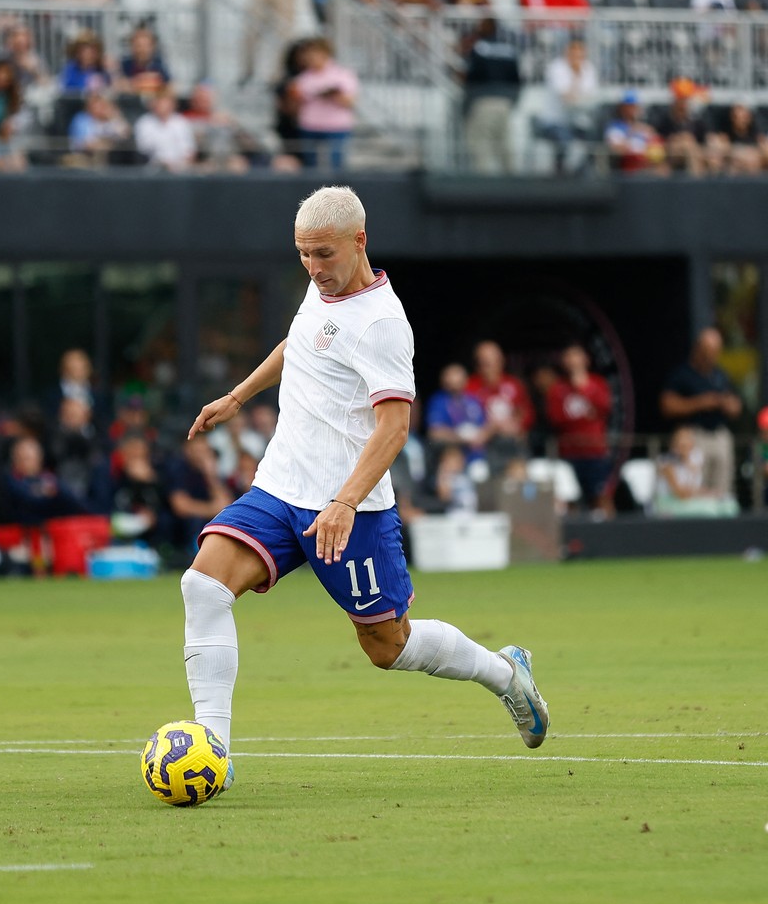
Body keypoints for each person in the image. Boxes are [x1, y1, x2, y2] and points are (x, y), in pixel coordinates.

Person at [179, 186, 549, 798]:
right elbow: (299, 344)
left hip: (352, 507)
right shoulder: (322, 285)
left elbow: (395, 426)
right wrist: (238, 396)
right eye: (302, 256)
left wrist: (344, 501)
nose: (313, 269)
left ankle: (506, 674)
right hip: (281, 486)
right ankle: (212, 747)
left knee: (387, 644)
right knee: (203, 584)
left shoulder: (382, 323)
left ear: (360, 241)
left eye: (323, 254)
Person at [659, 327, 742, 501]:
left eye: (715, 352)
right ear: (698, 349)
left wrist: (727, 404)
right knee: (696, 488)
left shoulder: (720, 375)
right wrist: (700, 403)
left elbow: (736, 406)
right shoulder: (682, 374)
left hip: (719, 435)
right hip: (694, 436)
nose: (711, 356)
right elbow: (667, 405)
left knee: (722, 490)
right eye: (707, 351)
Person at [546, 343, 613, 513]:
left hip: (595, 451)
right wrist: (585, 415)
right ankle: (574, 538)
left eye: (576, 356)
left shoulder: (598, 383)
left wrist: (581, 389)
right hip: (569, 452)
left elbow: (604, 408)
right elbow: (556, 418)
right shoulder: (557, 388)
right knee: (570, 500)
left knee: (601, 498)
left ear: (585, 359)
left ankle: (611, 534)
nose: (572, 361)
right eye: (568, 357)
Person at [460, 19, 521, 175]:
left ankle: (484, 187)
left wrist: (465, 107)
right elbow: (517, 79)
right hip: (505, 102)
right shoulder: (508, 49)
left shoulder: (479, 49)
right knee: (505, 144)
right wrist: (513, 101)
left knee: (481, 146)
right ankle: (513, 184)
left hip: (483, 101)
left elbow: (471, 79)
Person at [466, 340, 533, 471]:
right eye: (484, 362)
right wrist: (492, 427)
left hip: (512, 443)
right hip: (485, 446)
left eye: (493, 361)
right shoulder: (470, 387)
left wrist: (516, 424)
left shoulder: (514, 385)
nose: (489, 366)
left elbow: (527, 413)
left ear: (501, 361)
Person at [292, 37, 358, 171]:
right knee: (310, 166)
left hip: (336, 127)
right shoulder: (303, 78)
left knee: (336, 167)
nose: (310, 57)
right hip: (310, 126)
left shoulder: (342, 74)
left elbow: (350, 101)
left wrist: (332, 94)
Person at [538, 38, 597, 175]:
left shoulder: (588, 68)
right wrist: (576, 76)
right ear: (567, 53)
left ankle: (582, 172)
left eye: (580, 54)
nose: (577, 58)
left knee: (595, 137)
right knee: (564, 139)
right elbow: (566, 98)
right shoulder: (557, 68)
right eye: (573, 53)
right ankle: (560, 173)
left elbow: (591, 97)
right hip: (554, 121)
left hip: (577, 121)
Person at [426, 362, 487, 464]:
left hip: (478, 454)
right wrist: (462, 438)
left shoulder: (473, 400)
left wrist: (484, 435)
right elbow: (435, 432)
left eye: (458, 375)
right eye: (451, 376)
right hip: (451, 454)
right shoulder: (438, 401)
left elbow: (485, 424)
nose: (455, 380)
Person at [134, 89, 196, 173]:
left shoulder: (181, 122)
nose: (162, 105)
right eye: (159, 101)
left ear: (173, 104)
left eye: (166, 101)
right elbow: (143, 148)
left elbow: (189, 150)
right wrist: (164, 162)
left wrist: (181, 164)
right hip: (153, 169)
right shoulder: (144, 122)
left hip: (181, 170)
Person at [605, 92, 667, 175]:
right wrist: (631, 132)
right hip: (629, 165)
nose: (632, 109)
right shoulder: (615, 127)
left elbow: (657, 142)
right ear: (622, 108)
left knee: (663, 166)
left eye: (634, 106)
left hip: (649, 163)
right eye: (629, 106)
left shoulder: (643, 127)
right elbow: (616, 148)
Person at [119, 26, 170, 96]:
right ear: (132, 47)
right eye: (138, 45)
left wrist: (135, 83)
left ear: (152, 47)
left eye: (146, 46)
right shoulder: (125, 65)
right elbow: (120, 85)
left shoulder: (159, 65)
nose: (142, 50)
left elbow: (169, 87)